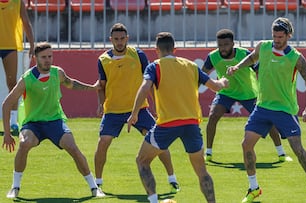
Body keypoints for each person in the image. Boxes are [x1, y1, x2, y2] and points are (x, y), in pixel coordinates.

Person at [227, 17, 306, 203]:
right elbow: (252, 57)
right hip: (262, 107)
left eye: (280, 37)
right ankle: (253, 188)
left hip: (285, 110)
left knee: (297, 149)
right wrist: (238, 67)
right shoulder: (263, 46)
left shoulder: (296, 57)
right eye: (274, 36)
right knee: (246, 144)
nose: (277, 40)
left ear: (289, 35)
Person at [127, 32, 229, 203]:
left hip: (167, 124)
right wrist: (224, 81)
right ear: (175, 49)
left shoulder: (154, 66)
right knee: (201, 170)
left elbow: (145, 88)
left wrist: (134, 113)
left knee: (142, 160)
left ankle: (153, 200)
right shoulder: (191, 66)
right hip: (191, 123)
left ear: (156, 49)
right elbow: (216, 87)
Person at [1, 42, 105, 198]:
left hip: (55, 121)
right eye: (44, 57)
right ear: (35, 58)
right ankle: (15, 187)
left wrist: (92, 87)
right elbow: (7, 104)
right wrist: (8, 134)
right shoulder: (27, 79)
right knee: (24, 144)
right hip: (33, 124)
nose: (48, 60)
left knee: (73, 148)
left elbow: (71, 84)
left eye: (50, 56)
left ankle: (94, 187)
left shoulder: (58, 73)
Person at [94, 23, 180, 193]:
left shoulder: (138, 55)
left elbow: (150, 81)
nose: (119, 42)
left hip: (139, 109)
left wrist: (158, 105)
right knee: (103, 142)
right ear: (110, 40)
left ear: (127, 38)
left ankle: (172, 179)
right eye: (116, 39)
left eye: (122, 38)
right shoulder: (103, 60)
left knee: (158, 142)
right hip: (113, 110)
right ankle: (97, 183)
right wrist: (100, 104)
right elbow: (101, 85)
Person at [202, 29, 292, 163]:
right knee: (213, 116)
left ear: (233, 43)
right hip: (225, 92)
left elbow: (260, 71)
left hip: (248, 93)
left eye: (226, 45)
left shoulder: (244, 54)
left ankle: (281, 153)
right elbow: (202, 75)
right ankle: (208, 153)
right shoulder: (212, 56)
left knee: (268, 120)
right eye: (220, 45)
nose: (223, 48)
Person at [0, 0, 35, 134]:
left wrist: (32, 44)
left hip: (10, 46)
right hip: (9, 47)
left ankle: (13, 123)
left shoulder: (17, 2)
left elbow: (26, 22)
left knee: (13, 83)